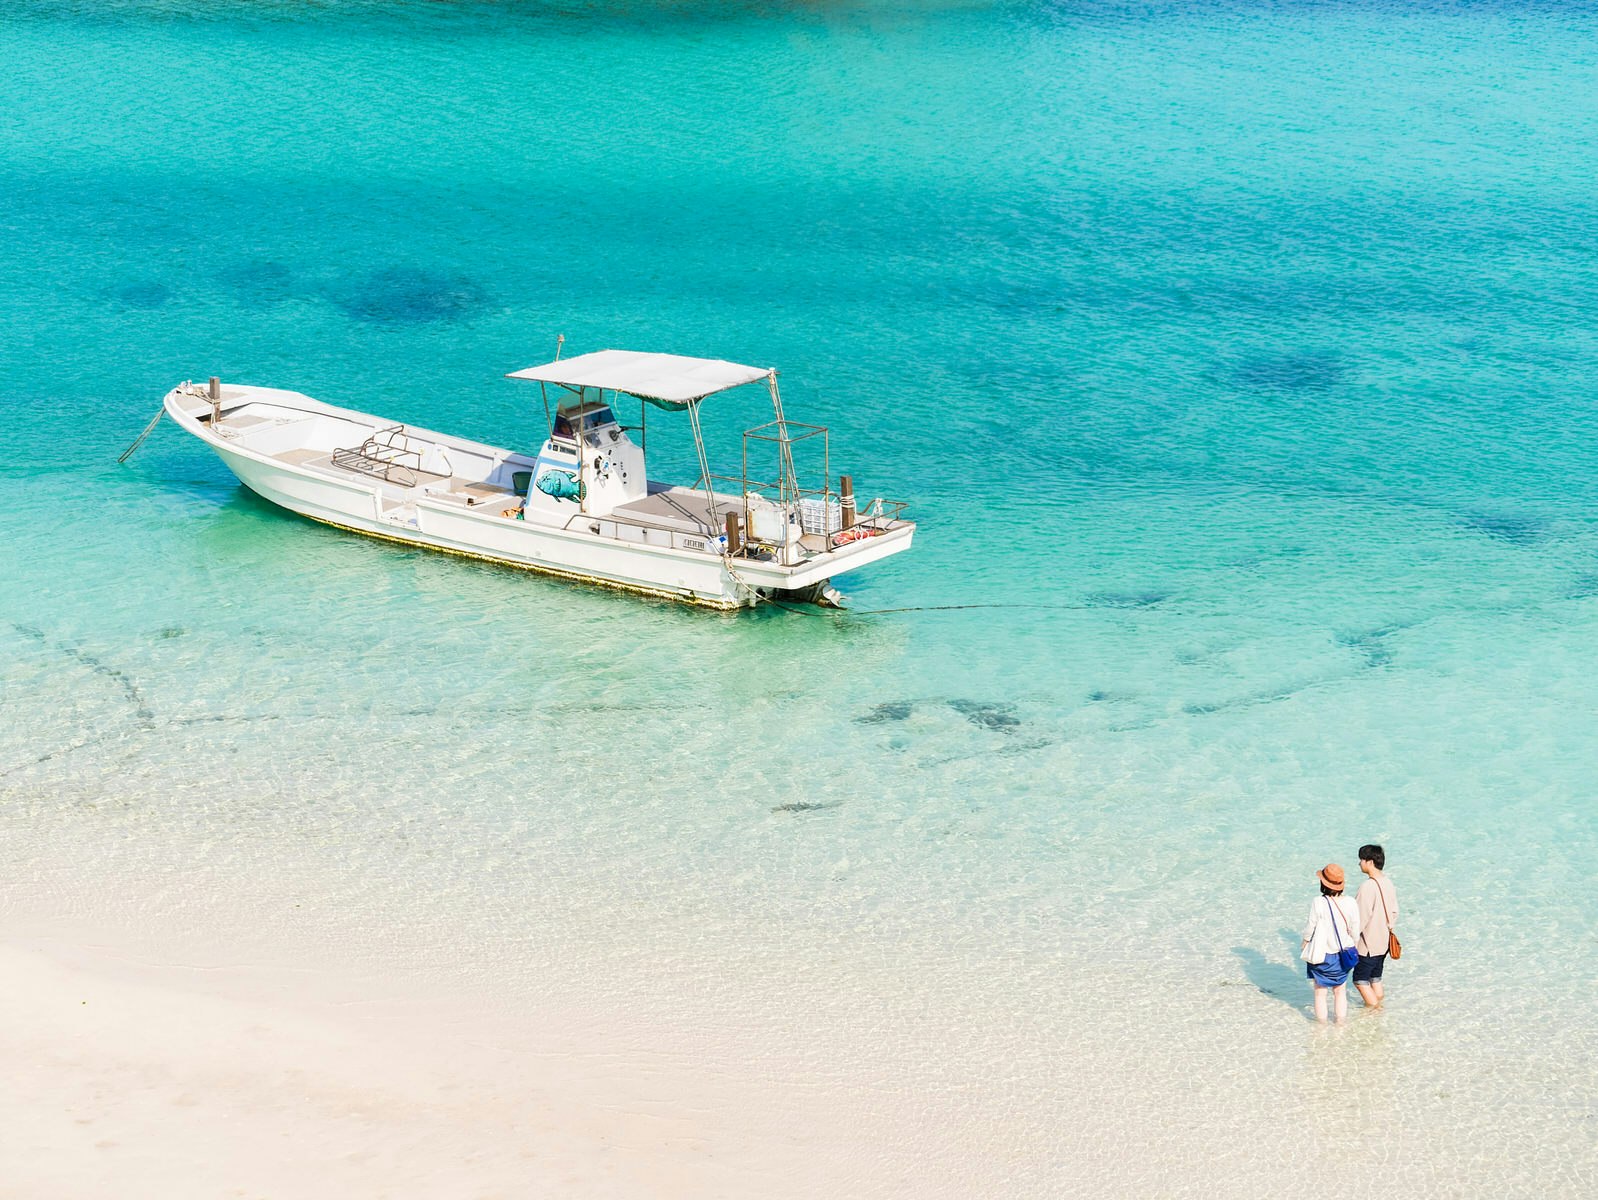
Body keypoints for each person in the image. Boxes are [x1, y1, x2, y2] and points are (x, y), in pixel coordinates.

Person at [1300, 863, 1361, 1024]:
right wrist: (1353, 944)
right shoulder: (1350, 902)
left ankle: (1321, 1027)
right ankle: (1340, 1025)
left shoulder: (1318, 902)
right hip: (1343, 954)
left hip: (1322, 954)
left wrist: (1305, 940)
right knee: (1340, 991)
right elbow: (1356, 928)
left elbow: (1310, 926)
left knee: (1320, 992)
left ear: (1323, 884)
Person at [1354, 843, 1399, 1009]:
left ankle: (1374, 1010)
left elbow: (1360, 918)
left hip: (1368, 944)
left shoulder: (1367, 886)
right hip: (1384, 941)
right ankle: (1379, 1006)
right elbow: (1395, 911)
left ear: (1370, 862)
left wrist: (1349, 939)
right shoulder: (1388, 882)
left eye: (1361, 860)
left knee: (1359, 980)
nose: (1359, 863)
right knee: (1375, 978)